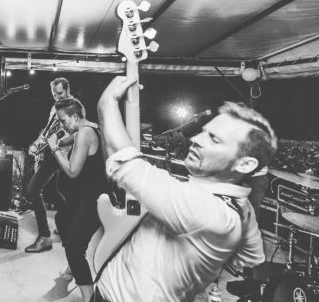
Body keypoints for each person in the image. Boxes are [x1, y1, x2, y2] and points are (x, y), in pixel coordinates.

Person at [94, 75, 274, 302]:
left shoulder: (210, 212)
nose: (196, 139)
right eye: (204, 131)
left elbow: (125, 164)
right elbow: (251, 259)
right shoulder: (240, 208)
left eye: (214, 140)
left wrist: (107, 102)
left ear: (245, 164)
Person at [44, 98, 107, 302]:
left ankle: (89, 298)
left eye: (63, 120)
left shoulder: (84, 133)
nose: (62, 124)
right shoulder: (91, 128)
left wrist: (54, 148)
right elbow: (73, 138)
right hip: (80, 196)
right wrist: (63, 141)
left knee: (73, 247)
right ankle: (73, 265)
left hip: (92, 199)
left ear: (75, 116)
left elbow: (72, 171)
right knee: (62, 219)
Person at [25, 77, 74, 253]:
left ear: (67, 90)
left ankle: (45, 237)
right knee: (52, 191)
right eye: (54, 95)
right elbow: (47, 129)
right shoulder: (55, 106)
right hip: (51, 152)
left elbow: (77, 134)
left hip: (62, 154)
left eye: (60, 93)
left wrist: (56, 144)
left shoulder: (75, 107)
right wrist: (37, 144)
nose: (57, 98)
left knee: (33, 190)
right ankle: (67, 223)